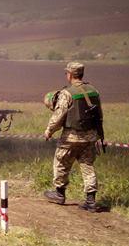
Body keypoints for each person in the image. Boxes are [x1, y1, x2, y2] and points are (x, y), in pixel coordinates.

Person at [43, 61, 106, 212]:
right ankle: (90, 200)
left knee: (61, 162)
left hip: (71, 137)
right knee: (87, 166)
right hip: (90, 137)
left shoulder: (67, 93)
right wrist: (98, 134)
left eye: (67, 73)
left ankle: (59, 194)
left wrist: (49, 131)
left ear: (70, 74)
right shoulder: (94, 91)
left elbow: (59, 115)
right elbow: (99, 115)